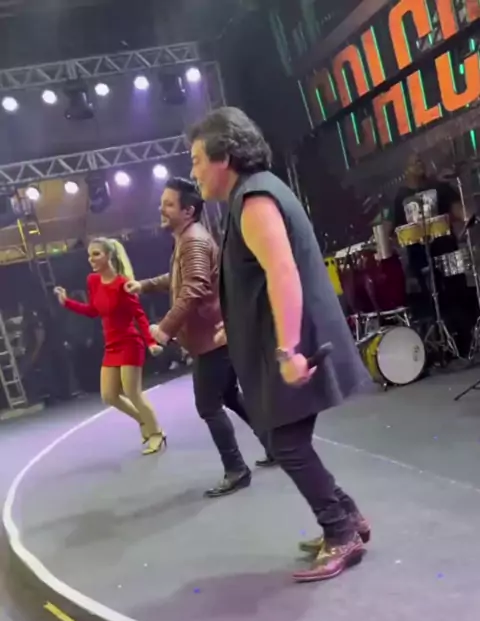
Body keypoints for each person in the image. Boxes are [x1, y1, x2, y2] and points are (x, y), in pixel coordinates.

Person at [188, 107, 372, 582]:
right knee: (282, 439)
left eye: (197, 160)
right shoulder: (252, 195)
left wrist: (289, 350)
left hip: (295, 345)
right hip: (284, 341)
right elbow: (258, 279)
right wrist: (236, 325)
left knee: (284, 442)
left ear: (224, 156)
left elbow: (283, 272)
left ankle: (341, 532)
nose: (194, 172)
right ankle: (346, 517)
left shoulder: (254, 201)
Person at [125, 176, 275, 498]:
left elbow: (193, 288)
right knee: (229, 395)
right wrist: (145, 285)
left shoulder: (192, 240)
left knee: (208, 405)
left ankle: (236, 469)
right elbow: (180, 278)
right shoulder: (189, 237)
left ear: (188, 210)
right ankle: (273, 445)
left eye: (168, 204)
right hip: (218, 335)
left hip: (212, 340)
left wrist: (164, 329)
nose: (161, 209)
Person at [54, 238, 166, 455]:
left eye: (96, 254)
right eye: (89, 255)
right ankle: (143, 421)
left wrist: (151, 342)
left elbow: (139, 315)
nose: (91, 259)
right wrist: (67, 302)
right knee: (108, 395)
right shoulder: (93, 281)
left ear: (109, 256)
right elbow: (93, 311)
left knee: (133, 393)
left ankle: (156, 433)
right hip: (111, 345)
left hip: (130, 343)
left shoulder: (123, 284)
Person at [392, 154, 475, 356]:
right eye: (414, 162)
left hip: (448, 250)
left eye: (421, 160)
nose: (419, 164)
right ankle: (442, 343)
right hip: (420, 256)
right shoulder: (401, 196)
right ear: (406, 169)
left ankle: (465, 341)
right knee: (433, 298)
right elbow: (394, 228)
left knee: (459, 292)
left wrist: (466, 214)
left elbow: (459, 210)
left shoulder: (439, 187)